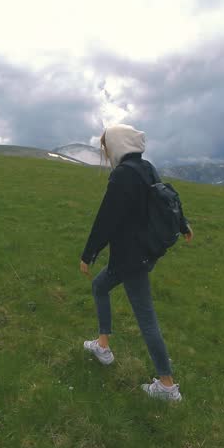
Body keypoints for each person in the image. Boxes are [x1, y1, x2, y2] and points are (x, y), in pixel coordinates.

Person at [79, 123, 194, 402]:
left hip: (131, 258)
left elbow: (107, 218)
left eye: (106, 146)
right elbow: (167, 200)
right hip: (143, 252)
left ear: (117, 145)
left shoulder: (123, 175)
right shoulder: (147, 167)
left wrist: (88, 254)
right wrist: (183, 224)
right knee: (99, 287)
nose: (105, 151)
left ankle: (167, 386)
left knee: (146, 320)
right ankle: (102, 345)